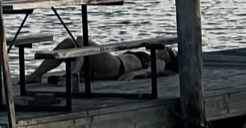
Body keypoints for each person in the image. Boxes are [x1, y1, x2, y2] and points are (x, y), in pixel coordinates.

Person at [26, 36, 178, 84]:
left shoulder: (159, 62)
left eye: (168, 51)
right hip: (107, 64)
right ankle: (37, 74)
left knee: (81, 39)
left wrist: (136, 74)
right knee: (69, 42)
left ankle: (73, 75)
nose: (164, 49)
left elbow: (155, 70)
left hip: (117, 67)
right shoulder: (148, 54)